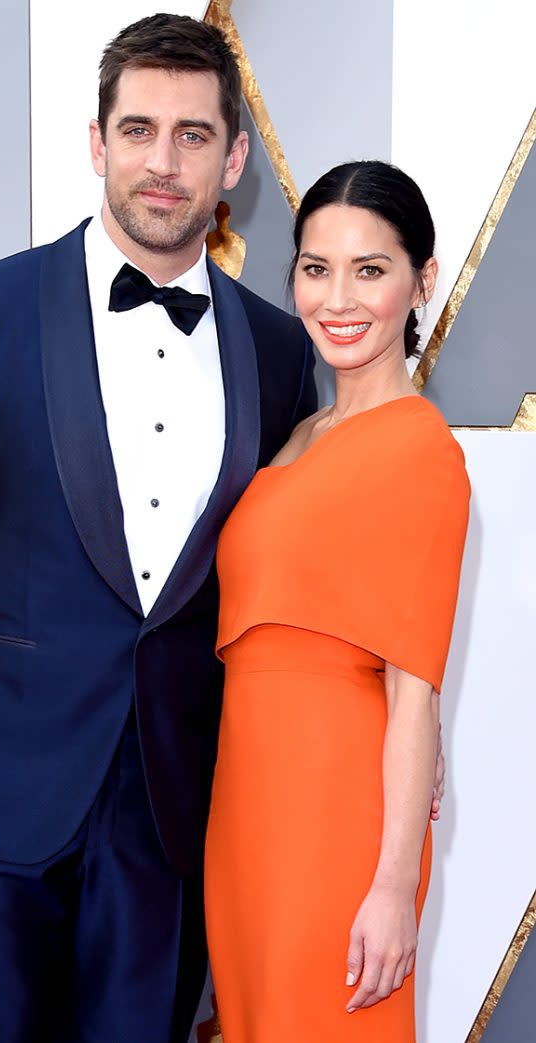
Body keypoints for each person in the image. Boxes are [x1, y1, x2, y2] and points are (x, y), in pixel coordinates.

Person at [0, 14, 319, 1043]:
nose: (163, 160)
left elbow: (285, 587)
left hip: (176, 815)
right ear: (96, 143)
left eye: (194, 135)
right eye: (138, 128)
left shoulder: (280, 355)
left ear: (233, 157)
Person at [205, 160, 469, 1041]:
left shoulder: (420, 452)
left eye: (371, 268)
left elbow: (413, 691)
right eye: (316, 268)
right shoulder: (295, 433)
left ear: (421, 280)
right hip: (245, 822)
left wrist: (394, 888)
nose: (338, 297)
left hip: (335, 832)